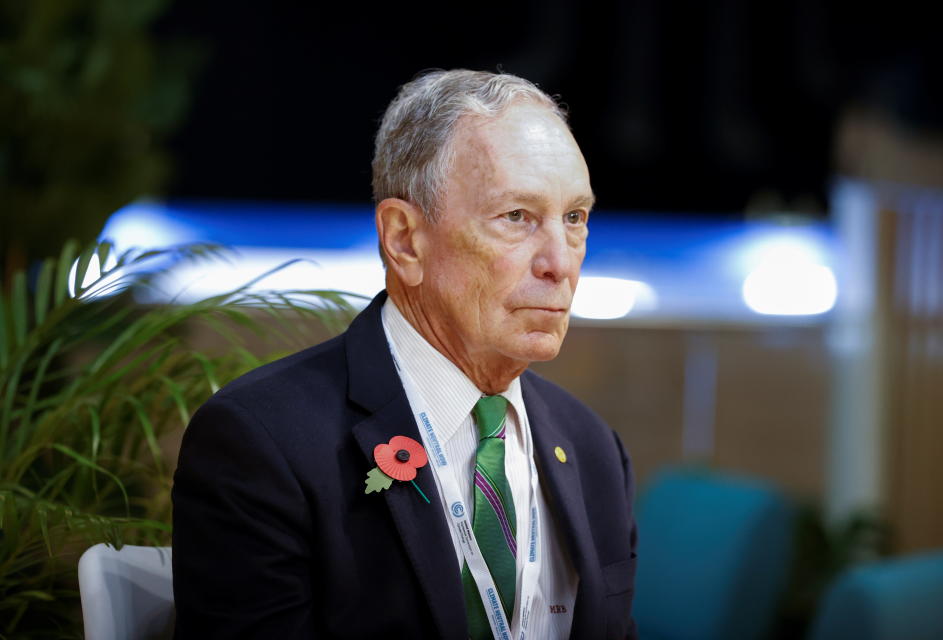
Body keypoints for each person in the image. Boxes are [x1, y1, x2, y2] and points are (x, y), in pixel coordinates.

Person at [172, 69, 637, 639]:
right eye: (517, 217)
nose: (560, 263)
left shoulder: (593, 451)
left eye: (574, 218)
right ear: (404, 240)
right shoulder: (263, 444)